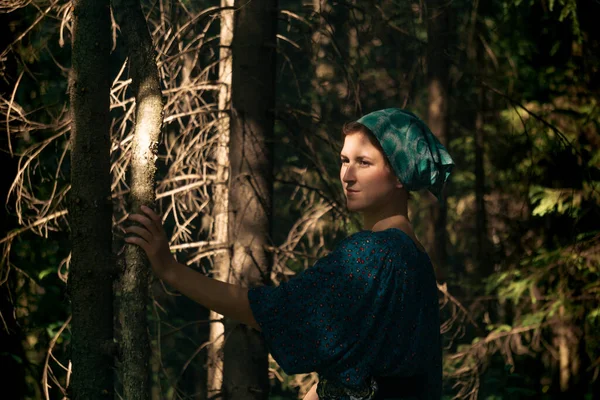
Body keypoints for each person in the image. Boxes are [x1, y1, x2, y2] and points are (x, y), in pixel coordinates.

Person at [124, 108, 454, 400]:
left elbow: (274, 312)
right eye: (344, 160)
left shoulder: (374, 254)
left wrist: (170, 269)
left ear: (399, 175)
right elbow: (359, 371)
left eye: (364, 163)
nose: (347, 175)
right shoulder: (415, 259)